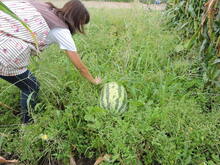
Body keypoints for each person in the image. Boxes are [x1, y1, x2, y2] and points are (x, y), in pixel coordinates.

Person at [0, 0, 102, 123]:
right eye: (81, 23)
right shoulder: (61, 30)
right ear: (76, 20)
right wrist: (94, 81)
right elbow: (80, 66)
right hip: (5, 52)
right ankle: (27, 124)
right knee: (31, 86)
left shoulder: (45, 7)